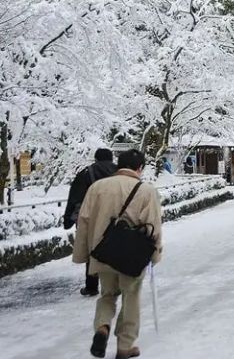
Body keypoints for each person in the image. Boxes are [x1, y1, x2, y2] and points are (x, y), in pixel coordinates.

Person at [72, 149, 163, 359]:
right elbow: (153, 226)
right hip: (132, 256)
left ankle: (102, 327)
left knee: (107, 294)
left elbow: (83, 222)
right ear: (139, 168)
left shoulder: (97, 188)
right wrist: (155, 255)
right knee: (131, 297)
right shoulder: (146, 190)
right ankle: (125, 346)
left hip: (103, 253)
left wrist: (83, 254)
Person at [63, 148, 118, 297]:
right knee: (116, 248)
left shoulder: (86, 173)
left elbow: (75, 197)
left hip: (92, 217)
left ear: (96, 159)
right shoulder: (120, 173)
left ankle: (91, 286)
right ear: (111, 158)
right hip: (116, 217)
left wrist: (68, 219)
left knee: (92, 250)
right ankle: (115, 285)